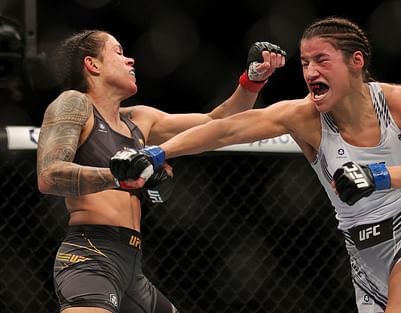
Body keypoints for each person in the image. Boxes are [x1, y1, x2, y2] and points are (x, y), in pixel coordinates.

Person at [109, 16, 401, 313]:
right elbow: (222, 130)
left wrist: (379, 175)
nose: (310, 71)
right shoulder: (301, 116)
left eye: (321, 60)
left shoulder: (400, 102)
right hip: (362, 257)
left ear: (356, 62)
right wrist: (158, 153)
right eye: (305, 62)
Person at [36, 29, 286, 313]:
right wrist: (118, 175)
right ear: (92, 65)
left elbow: (216, 121)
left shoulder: (140, 120)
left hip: (133, 263)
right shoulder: (74, 103)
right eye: (118, 52)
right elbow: (49, 175)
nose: (130, 60)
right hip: (90, 255)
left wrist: (252, 80)